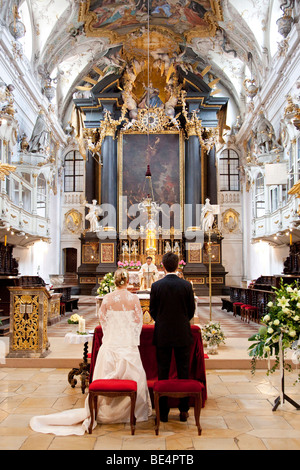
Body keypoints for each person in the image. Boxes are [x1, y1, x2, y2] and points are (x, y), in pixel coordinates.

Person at [30, 269, 151, 435]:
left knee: (105, 377)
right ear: (127, 281)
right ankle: (133, 412)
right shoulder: (134, 298)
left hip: (110, 345)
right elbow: (138, 322)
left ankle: (105, 411)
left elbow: (103, 320)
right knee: (133, 377)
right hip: (128, 347)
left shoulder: (107, 298)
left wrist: (111, 337)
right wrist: (131, 339)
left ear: (114, 281)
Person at [149, 252, 195, 422]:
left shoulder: (157, 286)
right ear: (178, 265)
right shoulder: (186, 285)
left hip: (162, 333)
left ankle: (164, 412)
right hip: (182, 332)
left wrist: (162, 321)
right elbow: (191, 310)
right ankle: (183, 410)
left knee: (163, 372)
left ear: (162, 265)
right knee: (183, 371)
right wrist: (182, 322)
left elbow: (153, 310)